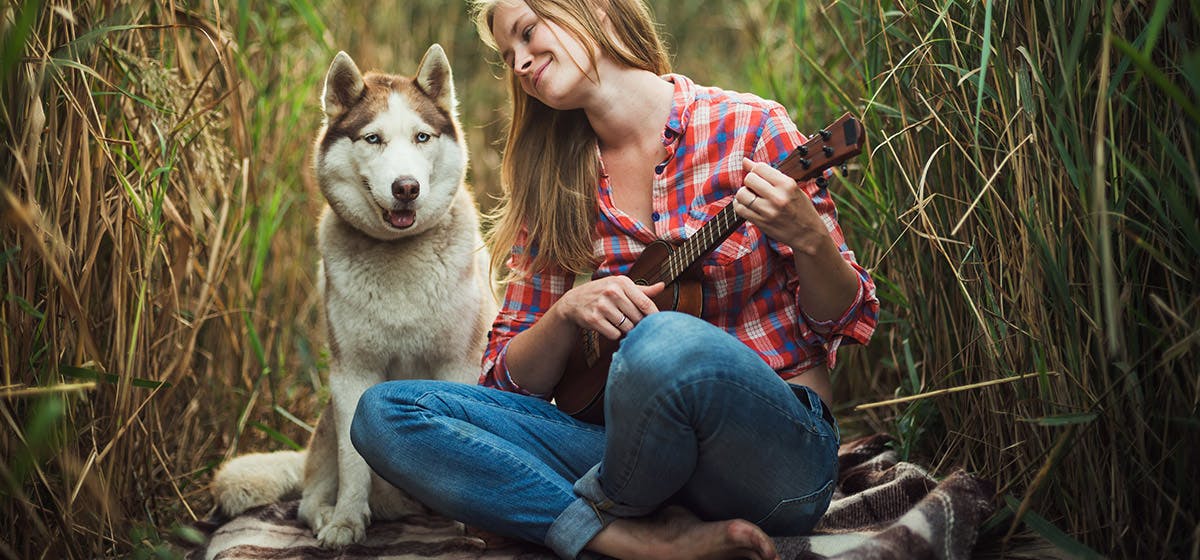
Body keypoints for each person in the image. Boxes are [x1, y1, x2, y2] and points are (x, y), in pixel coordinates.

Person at [350, 0, 879, 558]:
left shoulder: (749, 126)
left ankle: (582, 510)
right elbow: (504, 382)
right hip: (633, 451)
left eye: (529, 34)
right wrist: (566, 312)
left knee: (659, 341)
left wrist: (810, 238)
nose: (522, 63)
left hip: (775, 458)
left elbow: (842, 317)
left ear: (597, 9)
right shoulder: (556, 183)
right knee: (383, 413)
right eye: (509, 56)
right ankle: (629, 538)